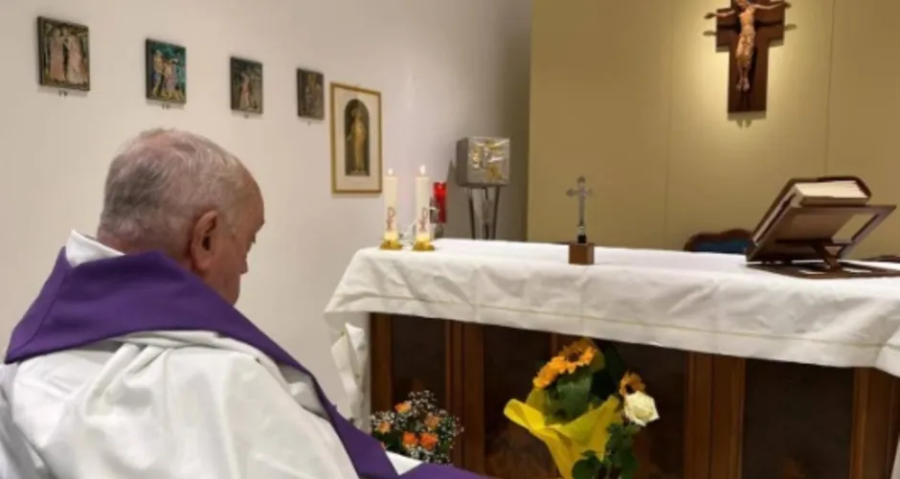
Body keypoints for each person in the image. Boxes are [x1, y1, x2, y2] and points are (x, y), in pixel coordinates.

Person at [0, 129, 481, 478]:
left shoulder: (22, 375)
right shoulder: (225, 383)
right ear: (205, 238)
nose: (247, 269)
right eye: (248, 243)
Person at [704, 0, 790, 92]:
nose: (740, 5)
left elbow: (768, 8)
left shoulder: (753, 8)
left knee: (746, 56)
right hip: (742, 35)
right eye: (738, 4)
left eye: (741, 3)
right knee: (738, 55)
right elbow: (725, 15)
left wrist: (781, 5)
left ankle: (746, 77)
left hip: (750, 35)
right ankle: (741, 77)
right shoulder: (738, 12)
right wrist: (714, 14)